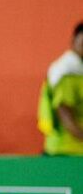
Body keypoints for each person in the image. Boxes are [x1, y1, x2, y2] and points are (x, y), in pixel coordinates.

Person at [38, 22, 83, 156]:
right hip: (66, 152)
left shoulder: (79, 72)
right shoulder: (66, 74)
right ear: (74, 41)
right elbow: (65, 115)